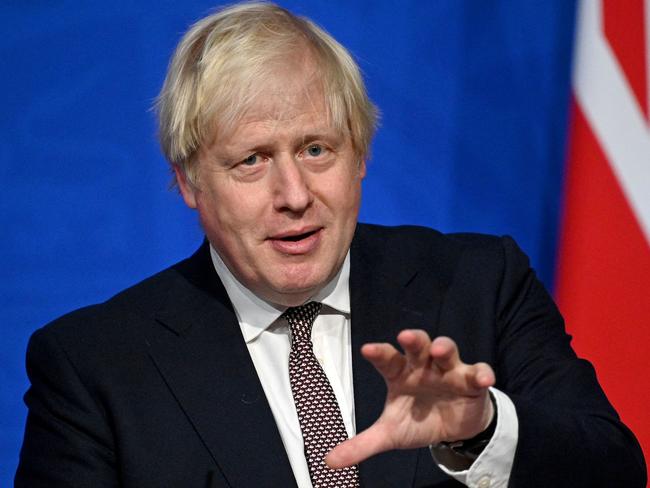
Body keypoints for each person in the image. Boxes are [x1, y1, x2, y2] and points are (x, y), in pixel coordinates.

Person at [15, 3, 646, 487]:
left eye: (317, 149)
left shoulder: (479, 284)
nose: (294, 193)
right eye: (251, 161)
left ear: (361, 153)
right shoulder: (96, 367)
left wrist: (481, 431)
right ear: (187, 182)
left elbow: (615, 471)